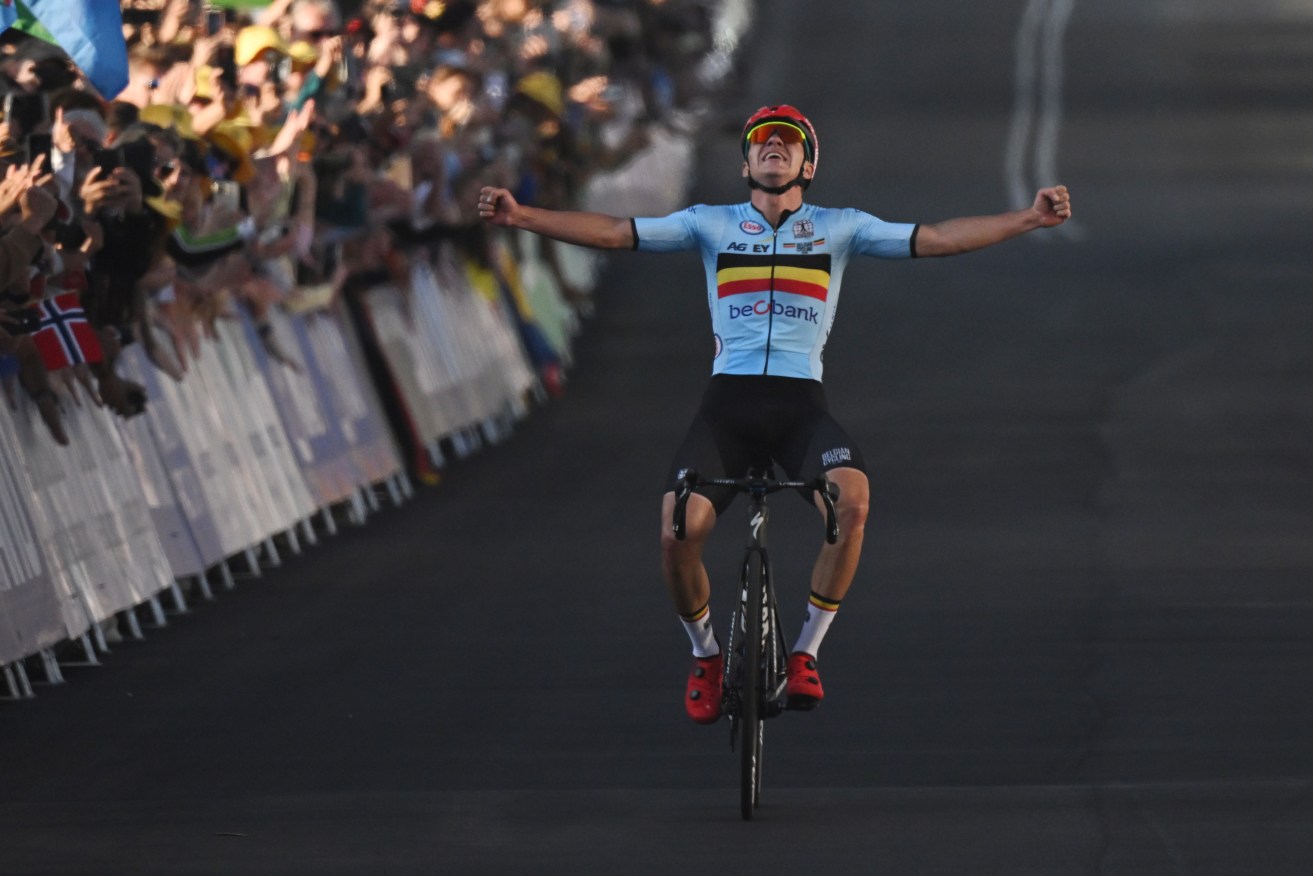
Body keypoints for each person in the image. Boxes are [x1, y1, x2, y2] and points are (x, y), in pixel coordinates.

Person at [476, 104, 1073, 724]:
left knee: (854, 506)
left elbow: (940, 238)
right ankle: (706, 657)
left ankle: (804, 653)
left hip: (798, 407)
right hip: (727, 407)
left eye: (789, 144)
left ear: (807, 165)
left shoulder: (841, 228)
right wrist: (523, 217)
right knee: (676, 534)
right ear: (745, 164)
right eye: (763, 142)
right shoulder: (709, 224)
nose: (774, 149)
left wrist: (1028, 219)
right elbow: (615, 233)